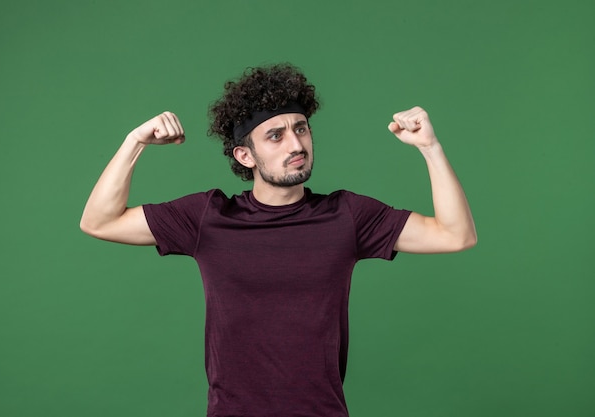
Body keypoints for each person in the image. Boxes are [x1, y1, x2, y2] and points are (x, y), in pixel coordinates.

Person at [80, 63, 477, 417]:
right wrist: (135, 143)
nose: (295, 145)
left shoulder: (346, 216)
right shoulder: (209, 217)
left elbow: (456, 235)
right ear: (245, 155)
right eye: (275, 136)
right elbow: (100, 221)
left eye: (300, 129)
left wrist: (431, 148)